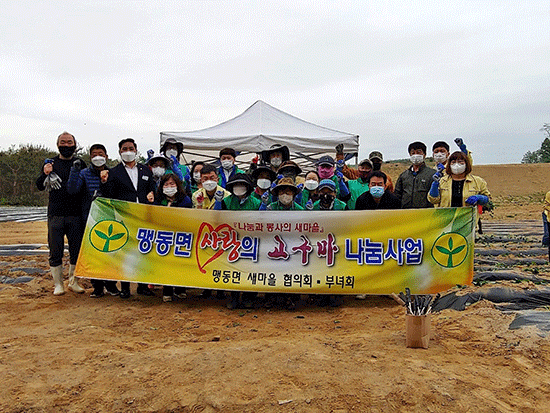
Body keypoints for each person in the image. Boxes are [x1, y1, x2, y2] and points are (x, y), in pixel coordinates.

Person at [100, 138, 156, 299]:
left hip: (144, 216)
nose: (128, 151)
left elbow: (151, 189)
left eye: (131, 148)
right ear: (120, 152)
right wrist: (103, 182)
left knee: (144, 250)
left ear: (136, 150)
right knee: (125, 252)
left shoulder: (146, 170)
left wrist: (152, 195)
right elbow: (108, 194)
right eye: (124, 149)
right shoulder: (114, 172)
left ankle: (143, 286)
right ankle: (125, 287)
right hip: (124, 216)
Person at [66, 143, 120, 298]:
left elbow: (117, 193)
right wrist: (74, 171)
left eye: (101, 154)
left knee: (111, 253)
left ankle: (111, 285)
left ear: (106, 156)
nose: (98, 157)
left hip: (109, 218)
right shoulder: (83, 173)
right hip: (89, 218)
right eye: (95, 154)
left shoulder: (113, 173)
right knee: (93, 253)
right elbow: (72, 190)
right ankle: (97, 286)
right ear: (90, 157)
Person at [36, 132, 86, 295]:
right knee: (55, 249)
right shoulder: (51, 163)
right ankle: (58, 284)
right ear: (58, 145)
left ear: (75, 144)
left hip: (75, 214)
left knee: (76, 249)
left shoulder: (80, 163)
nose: (66, 145)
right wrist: (45, 173)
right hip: (56, 214)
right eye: (63, 142)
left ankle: (73, 281)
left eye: (69, 142)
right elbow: (39, 185)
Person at [221, 173, 262, 309]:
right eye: (236, 185)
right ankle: (233, 297)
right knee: (233, 269)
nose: (239, 188)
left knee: (250, 269)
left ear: (248, 187)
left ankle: (248, 297)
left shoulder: (256, 203)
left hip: (251, 241)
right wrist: (217, 203)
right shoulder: (226, 201)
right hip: (232, 241)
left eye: (242, 185)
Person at [265, 177, 303, 310]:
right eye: (281, 192)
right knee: (272, 272)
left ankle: (291, 298)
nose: (285, 195)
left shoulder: (300, 210)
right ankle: (271, 297)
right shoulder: (270, 208)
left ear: (293, 194)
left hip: (293, 248)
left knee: (291, 273)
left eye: (288, 192)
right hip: (273, 246)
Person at [154, 173, 192, 302]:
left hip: (181, 236)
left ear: (177, 185)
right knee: (166, 264)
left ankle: (181, 289)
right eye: (166, 184)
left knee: (180, 263)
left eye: (172, 184)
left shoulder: (185, 200)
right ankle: (167, 290)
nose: (169, 187)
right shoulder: (158, 200)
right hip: (164, 236)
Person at [309, 179, 346, 307]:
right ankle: (319, 294)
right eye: (322, 191)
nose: (326, 195)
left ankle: (336, 294)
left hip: (337, 245)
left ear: (335, 193)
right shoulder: (313, 208)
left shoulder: (342, 206)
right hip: (319, 245)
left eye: (329, 192)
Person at [394, 142, 436, 209]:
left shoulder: (432, 174)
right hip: (406, 214)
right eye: (413, 153)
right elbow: (397, 195)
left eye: (419, 152)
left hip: (425, 214)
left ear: (424, 155)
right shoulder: (403, 175)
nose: (415, 155)